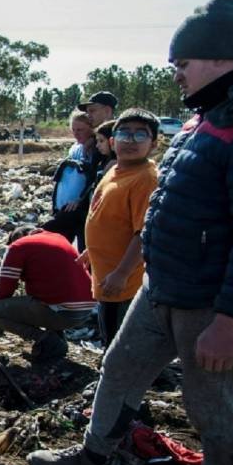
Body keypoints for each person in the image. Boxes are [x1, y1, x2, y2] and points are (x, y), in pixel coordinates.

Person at [27, 0, 233, 465]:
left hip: (215, 297)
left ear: (222, 58)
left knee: (212, 401)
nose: (176, 73)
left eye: (183, 63)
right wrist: (136, 264)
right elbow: (171, 202)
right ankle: (93, 455)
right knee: (119, 366)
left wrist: (230, 320)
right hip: (165, 285)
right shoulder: (208, 115)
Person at [77, 108, 161, 348]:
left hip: (126, 282)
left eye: (140, 135)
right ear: (113, 142)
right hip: (107, 274)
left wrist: (122, 273)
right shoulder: (115, 170)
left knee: (123, 344)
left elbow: (144, 233)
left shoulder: (145, 178)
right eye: (124, 134)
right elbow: (106, 216)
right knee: (109, 333)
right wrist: (91, 251)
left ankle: (120, 382)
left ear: (154, 144)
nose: (130, 141)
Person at [0, 226, 96, 361]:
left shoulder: (18, 246)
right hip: (86, 309)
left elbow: (5, 287)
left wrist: (1, 315)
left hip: (64, 311)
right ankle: (57, 338)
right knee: (43, 298)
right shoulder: (58, 237)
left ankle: (48, 341)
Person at [42, 111, 94, 248]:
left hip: (79, 208)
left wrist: (80, 200)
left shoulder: (95, 150)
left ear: (91, 128)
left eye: (80, 130)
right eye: (74, 130)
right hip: (64, 206)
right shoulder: (75, 148)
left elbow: (94, 180)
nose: (76, 133)